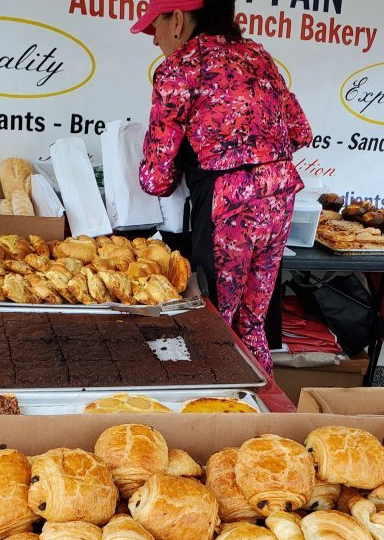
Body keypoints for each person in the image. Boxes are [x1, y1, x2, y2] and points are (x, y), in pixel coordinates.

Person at [132, 0, 312, 376]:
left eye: (156, 28)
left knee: (214, 324)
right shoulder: (258, 55)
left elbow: (155, 179)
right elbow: (300, 131)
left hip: (229, 206)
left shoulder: (179, 68)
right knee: (253, 324)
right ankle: (260, 412)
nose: (155, 40)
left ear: (178, 20)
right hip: (278, 198)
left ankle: (216, 415)